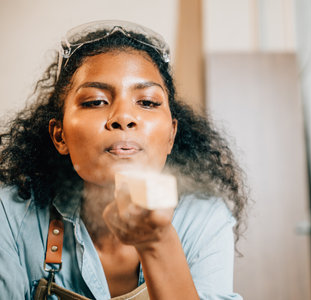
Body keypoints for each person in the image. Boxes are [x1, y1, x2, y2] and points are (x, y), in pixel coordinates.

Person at [0, 20, 247, 299]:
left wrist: (157, 242)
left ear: (171, 137)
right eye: (95, 101)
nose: (123, 118)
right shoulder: (9, 214)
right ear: (60, 136)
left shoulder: (204, 218)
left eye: (147, 102)